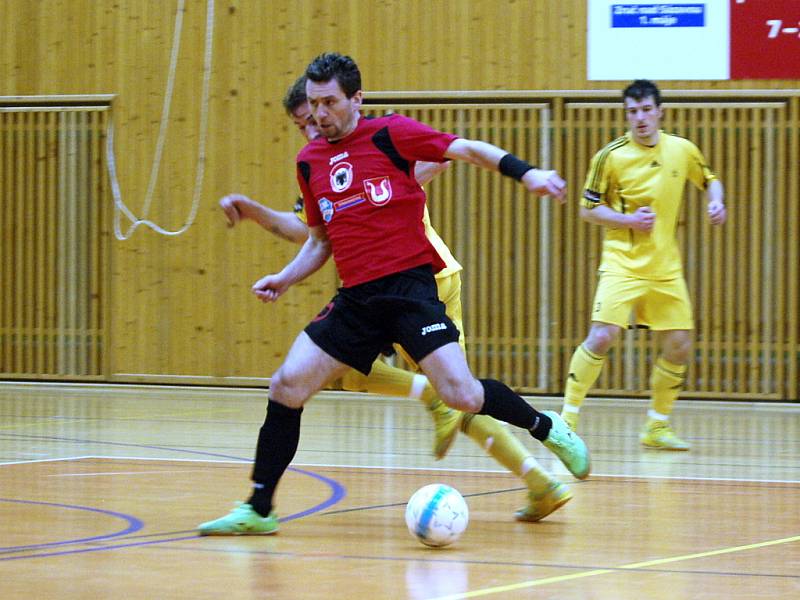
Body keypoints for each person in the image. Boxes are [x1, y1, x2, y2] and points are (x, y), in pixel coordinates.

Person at [199, 52, 589, 536]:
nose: (319, 115)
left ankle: (546, 427)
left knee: (463, 395)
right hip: (356, 300)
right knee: (286, 385)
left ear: (356, 99)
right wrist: (284, 278)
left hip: (410, 290)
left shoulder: (391, 133)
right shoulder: (309, 161)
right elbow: (319, 241)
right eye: (314, 104)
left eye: (330, 103)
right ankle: (259, 508)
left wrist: (526, 172)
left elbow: (464, 150)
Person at [559, 79, 727, 450]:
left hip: (666, 267)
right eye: (632, 112)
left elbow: (711, 180)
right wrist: (629, 222)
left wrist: (716, 203)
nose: (640, 118)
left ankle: (657, 426)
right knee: (602, 335)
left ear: (659, 111)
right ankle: (566, 418)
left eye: (646, 110)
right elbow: (588, 209)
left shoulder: (682, 150)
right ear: (626, 115)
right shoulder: (611, 156)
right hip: (622, 263)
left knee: (680, 344)